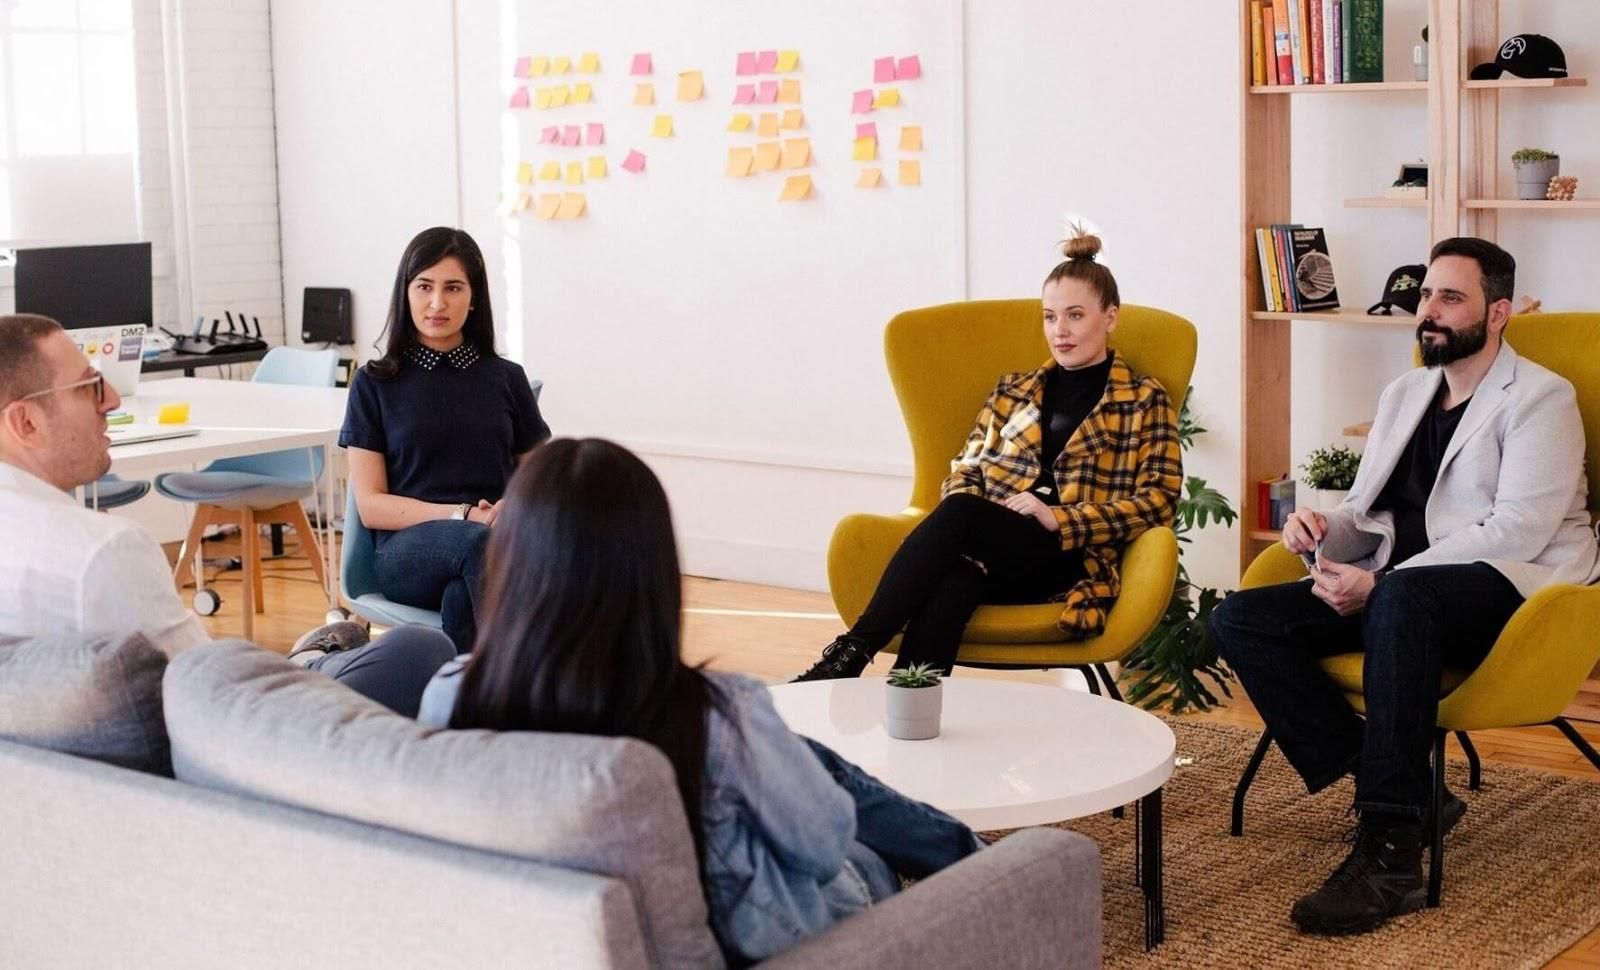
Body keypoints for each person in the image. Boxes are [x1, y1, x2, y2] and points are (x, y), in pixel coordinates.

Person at [416, 438, 982, 964]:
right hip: (771, 939)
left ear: (510, 562)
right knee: (853, 840)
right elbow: (824, 842)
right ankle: (986, 865)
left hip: (561, 940)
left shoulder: (451, 695)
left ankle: (960, 847)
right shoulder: (712, 714)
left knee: (800, 755)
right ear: (652, 571)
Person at [1209, 237, 1600, 936]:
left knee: (1401, 599)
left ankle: (1392, 854)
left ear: (1499, 311)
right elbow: (1371, 511)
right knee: (1242, 618)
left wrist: (1381, 581)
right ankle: (1408, 788)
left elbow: (1517, 531)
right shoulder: (1406, 393)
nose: (1430, 311)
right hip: (1403, 595)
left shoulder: (1540, 397)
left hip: (1516, 593)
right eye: (1425, 295)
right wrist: (1322, 529)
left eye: (1451, 298)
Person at [0, 313, 454, 718]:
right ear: (26, 423)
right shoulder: (101, 553)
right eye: (89, 386)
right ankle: (306, 665)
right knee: (418, 648)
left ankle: (305, 662)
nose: (113, 400)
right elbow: (210, 693)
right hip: (243, 736)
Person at [793, 229, 1183, 680]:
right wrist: (991, 520)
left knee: (960, 514)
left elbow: (1160, 500)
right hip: (993, 545)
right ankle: (908, 705)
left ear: (1110, 317)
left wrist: (1062, 517)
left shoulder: (1143, 399)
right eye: (1050, 316)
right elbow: (966, 469)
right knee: (955, 580)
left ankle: (850, 653)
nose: (1060, 331)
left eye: (1075, 316)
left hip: (1069, 558)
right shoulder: (1013, 391)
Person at [340, 227, 550, 653]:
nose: (438, 303)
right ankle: (540, 681)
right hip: (405, 554)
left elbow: (544, 479)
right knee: (481, 546)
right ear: (406, 294)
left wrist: (516, 505)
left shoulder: (506, 379)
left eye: (453, 288)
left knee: (463, 597)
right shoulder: (374, 383)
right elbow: (372, 506)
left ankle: (465, 707)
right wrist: (465, 514)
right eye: (424, 287)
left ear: (473, 298)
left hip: (489, 547)